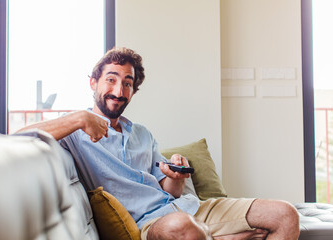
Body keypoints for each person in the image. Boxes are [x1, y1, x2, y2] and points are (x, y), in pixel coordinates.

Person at [18, 47, 300, 240]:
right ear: (94, 82)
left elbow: (171, 191)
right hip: (151, 224)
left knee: (285, 214)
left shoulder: (142, 134)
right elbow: (19, 137)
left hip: (189, 207)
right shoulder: (75, 130)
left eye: (127, 83)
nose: (119, 91)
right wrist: (79, 118)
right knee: (184, 229)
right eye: (111, 79)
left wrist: (175, 176)